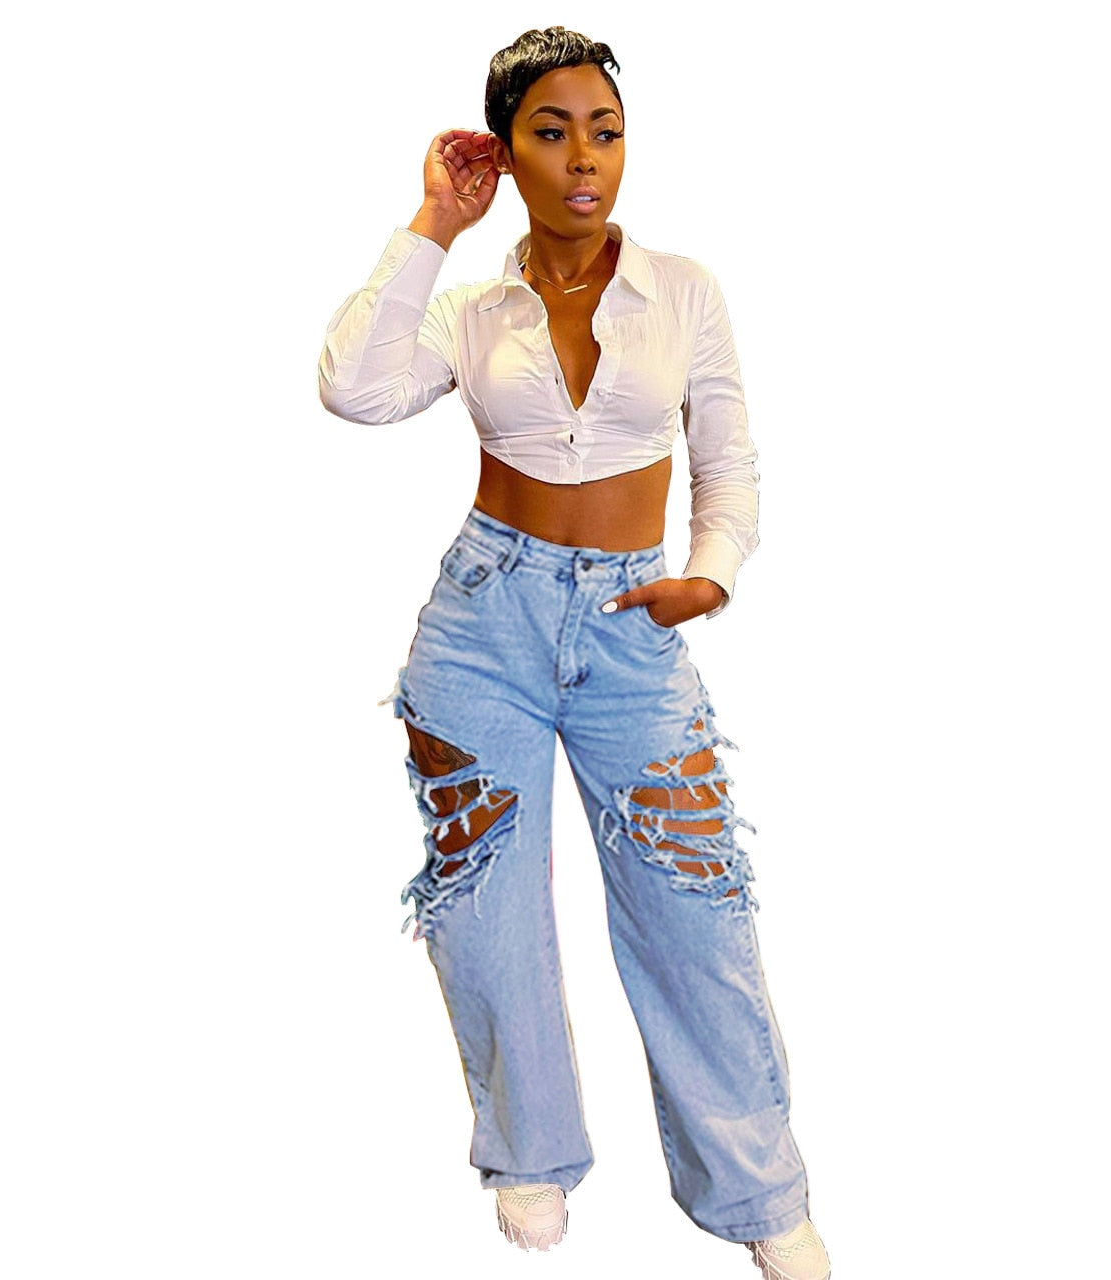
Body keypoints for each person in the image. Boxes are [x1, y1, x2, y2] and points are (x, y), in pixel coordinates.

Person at [317, 26, 831, 1280]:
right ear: (506, 152)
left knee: (693, 905)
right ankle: (529, 1150)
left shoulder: (683, 290)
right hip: (481, 625)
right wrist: (432, 223)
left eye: (604, 131)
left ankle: (754, 1187)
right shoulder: (469, 310)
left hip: (630, 626)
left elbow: (728, 452)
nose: (584, 159)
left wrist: (711, 568)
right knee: (483, 906)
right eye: (550, 133)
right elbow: (353, 388)